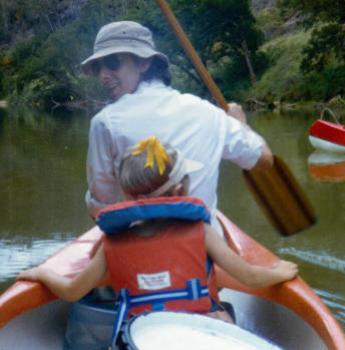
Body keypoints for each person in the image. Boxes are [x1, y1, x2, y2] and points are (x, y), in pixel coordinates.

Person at [18, 137, 297, 348]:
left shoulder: (112, 244)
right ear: (179, 190)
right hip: (197, 329)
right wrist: (279, 272)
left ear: (127, 195)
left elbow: (70, 291)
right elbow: (249, 276)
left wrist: (42, 272)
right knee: (223, 319)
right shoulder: (202, 232)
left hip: (140, 336)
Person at [81, 21, 273, 234]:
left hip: (140, 251)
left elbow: (103, 209)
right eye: (99, 66)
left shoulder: (104, 122)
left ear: (143, 63)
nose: (103, 74)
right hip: (202, 248)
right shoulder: (207, 112)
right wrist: (241, 125)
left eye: (112, 63)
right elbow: (264, 160)